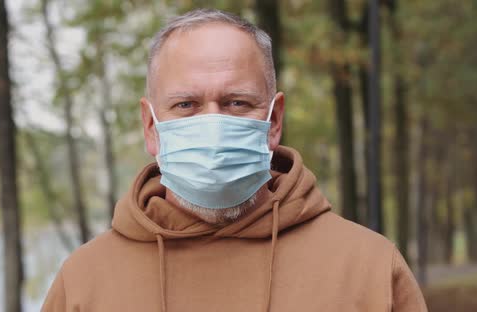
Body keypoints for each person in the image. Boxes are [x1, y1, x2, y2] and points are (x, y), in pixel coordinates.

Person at [42, 8, 427, 312]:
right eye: (186, 105)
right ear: (150, 126)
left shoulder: (368, 268)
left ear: (273, 121)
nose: (212, 123)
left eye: (236, 103)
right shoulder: (84, 281)